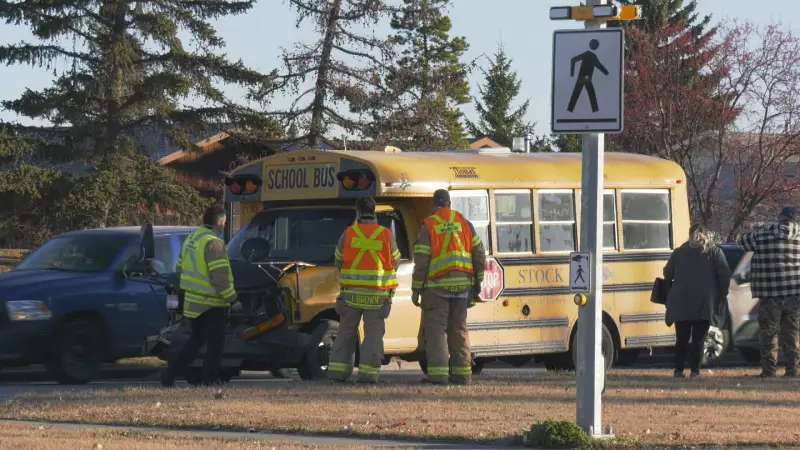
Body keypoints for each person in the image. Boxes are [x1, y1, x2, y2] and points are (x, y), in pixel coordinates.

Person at [161, 205, 241, 387]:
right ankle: (209, 379)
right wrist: (233, 299)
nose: (224, 226)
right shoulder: (214, 243)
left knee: (195, 342)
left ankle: (170, 375)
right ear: (220, 222)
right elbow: (219, 277)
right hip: (212, 303)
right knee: (216, 345)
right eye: (224, 223)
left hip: (193, 301)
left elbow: (180, 267)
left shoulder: (192, 238)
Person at [412, 189, 486, 385]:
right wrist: (478, 281)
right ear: (450, 204)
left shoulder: (429, 225)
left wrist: (416, 289)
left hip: (437, 287)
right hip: (462, 287)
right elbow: (479, 252)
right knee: (458, 330)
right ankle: (462, 374)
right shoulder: (463, 223)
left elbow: (422, 261)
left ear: (434, 205)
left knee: (436, 331)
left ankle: (438, 375)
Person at [328, 196, 400, 384]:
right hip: (376, 295)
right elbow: (395, 261)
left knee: (345, 333)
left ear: (357, 212)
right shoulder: (385, 234)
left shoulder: (349, 234)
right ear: (374, 210)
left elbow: (338, 260)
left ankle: (337, 373)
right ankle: (368, 375)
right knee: (373, 336)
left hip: (351, 295)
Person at [739, 206, 800, 378]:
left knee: (769, 333)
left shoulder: (762, 236)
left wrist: (757, 229)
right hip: (794, 293)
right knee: (792, 333)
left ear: (779, 218)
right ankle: (793, 370)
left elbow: (742, 242)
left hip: (769, 294)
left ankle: (769, 370)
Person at [663, 224, 731, 378]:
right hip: (704, 303)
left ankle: (678, 370)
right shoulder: (714, 252)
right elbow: (724, 274)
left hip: (681, 301)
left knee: (682, 338)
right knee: (699, 340)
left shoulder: (679, 252)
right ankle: (695, 370)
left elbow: (667, 273)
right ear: (706, 235)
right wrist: (721, 294)